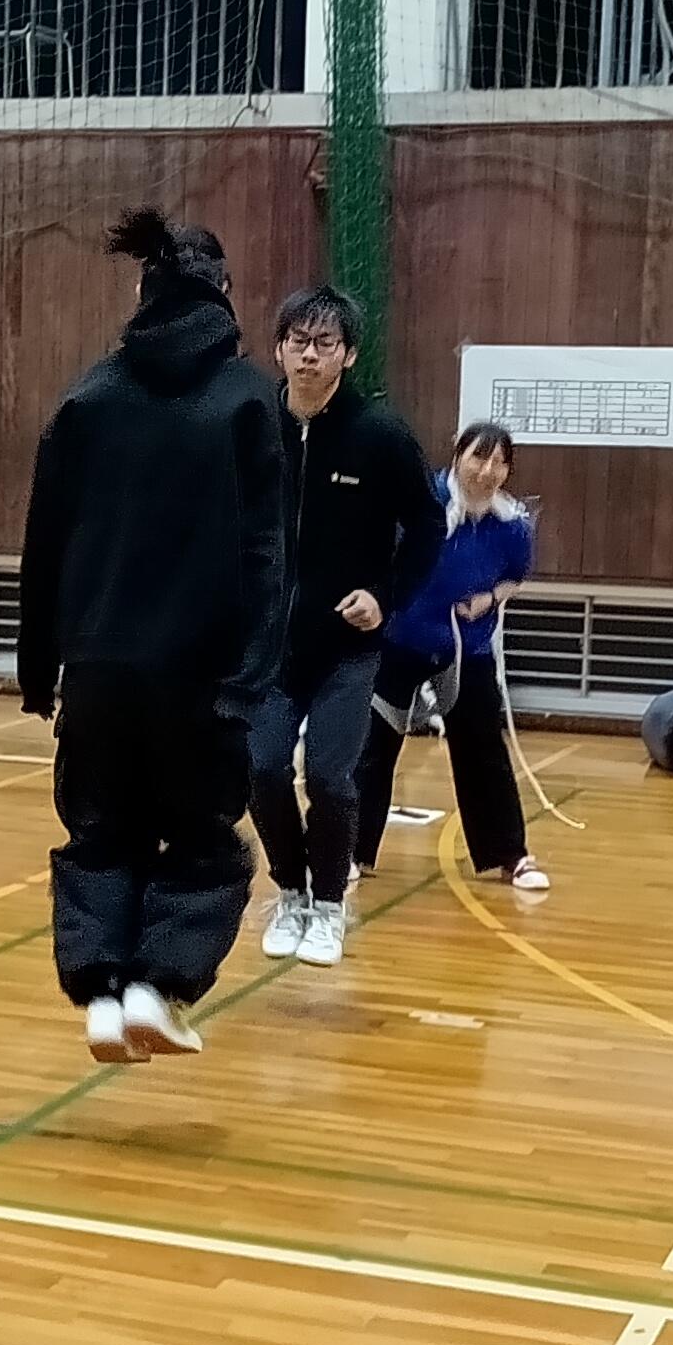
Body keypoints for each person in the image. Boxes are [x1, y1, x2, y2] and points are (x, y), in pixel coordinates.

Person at [18, 207, 285, 1062]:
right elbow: (266, 554)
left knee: (100, 832)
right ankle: (155, 986)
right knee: (204, 841)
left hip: (97, 667)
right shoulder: (249, 399)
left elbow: (44, 540)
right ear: (224, 293)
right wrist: (252, 675)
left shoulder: (87, 396)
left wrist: (37, 669)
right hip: (200, 673)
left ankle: (101, 996)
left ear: (142, 289)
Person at [250, 285, 443, 968]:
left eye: (324, 343)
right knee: (262, 766)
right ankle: (290, 893)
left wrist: (385, 598)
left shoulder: (380, 434)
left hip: (347, 648)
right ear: (279, 349)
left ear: (348, 354)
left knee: (331, 778)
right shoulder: (252, 426)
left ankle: (329, 905)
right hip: (268, 647)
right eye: (297, 341)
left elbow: (427, 525)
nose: (309, 355)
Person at [352, 421, 547, 891]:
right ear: (458, 454)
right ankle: (350, 851)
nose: (487, 471)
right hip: (399, 640)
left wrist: (489, 598)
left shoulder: (512, 526)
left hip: (466, 647)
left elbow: (516, 577)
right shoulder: (422, 505)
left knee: (484, 750)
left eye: (499, 462)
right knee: (372, 748)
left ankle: (511, 855)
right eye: (479, 457)